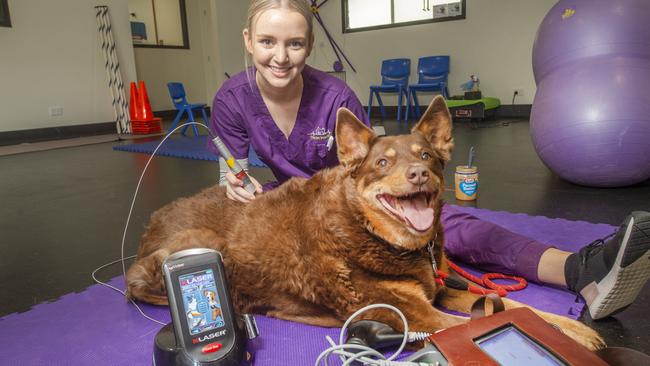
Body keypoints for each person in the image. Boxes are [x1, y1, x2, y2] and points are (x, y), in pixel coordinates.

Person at [209, 0, 650, 320]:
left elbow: (367, 168)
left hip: (343, 206)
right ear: (249, 42)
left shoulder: (336, 97)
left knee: (445, 224)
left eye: (295, 43)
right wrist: (236, 183)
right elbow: (235, 170)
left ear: (308, 46)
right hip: (289, 207)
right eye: (267, 42)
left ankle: (579, 269)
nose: (280, 57)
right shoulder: (231, 99)